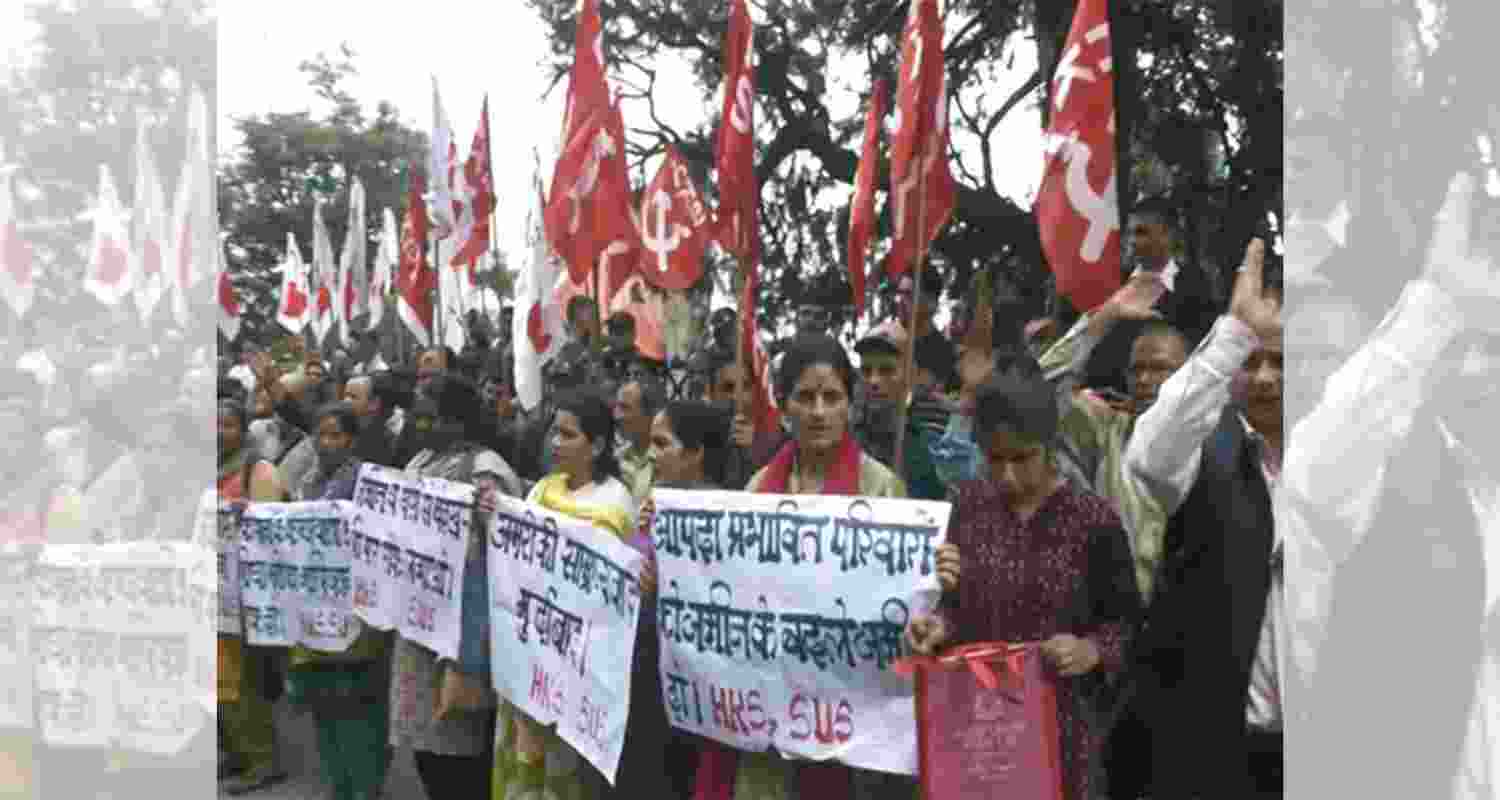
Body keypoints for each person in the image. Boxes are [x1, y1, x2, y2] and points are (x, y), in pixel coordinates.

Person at [693, 335, 919, 800]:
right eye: (806, 397)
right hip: (769, 707)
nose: (819, 411)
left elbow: (904, 601)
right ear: (784, 405)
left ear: (850, 406)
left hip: (849, 713)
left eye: (832, 397)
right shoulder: (758, 489)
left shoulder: (882, 490)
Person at [905, 370, 1139, 800]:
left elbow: (1128, 626)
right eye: (995, 460)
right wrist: (938, 626)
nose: (1008, 476)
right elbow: (957, 606)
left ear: (1050, 446)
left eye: (1023, 458)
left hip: (1061, 735)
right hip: (979, 729)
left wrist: (1091, 650)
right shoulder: (970, 506)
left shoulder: (1093, 521)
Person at [1116, 239, 1283, 799]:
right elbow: (1147, 455)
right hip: (1212, 757)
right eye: (1251, 362)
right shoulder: (1204, 455)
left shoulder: (1345, 460)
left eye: (1281, 362)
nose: (1263, 379)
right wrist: (1232, 335)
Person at [494, 389, 636, 800]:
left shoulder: (616, 502)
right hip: (531, 651)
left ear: (598, 445)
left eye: (568, 435)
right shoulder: (541, 489)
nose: (556, 443)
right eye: (555, 433)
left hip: (578, 664)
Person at [388, 375, 521, 800]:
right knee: (426, 747)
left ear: (457, 420)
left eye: (431, 417)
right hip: (417, 621)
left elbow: (506, 541)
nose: (421, 426)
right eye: (419, 417)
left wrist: (486, 514)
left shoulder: (486, 469)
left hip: (463, 629)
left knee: (462, 740)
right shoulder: (419, 461)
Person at [616, 400, 732, 800]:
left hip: (692, 684)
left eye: (662, 443)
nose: (650, 454)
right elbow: (635, 571)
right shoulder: (656, 502)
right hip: (649, 669)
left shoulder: (726, 514)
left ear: (696, 453)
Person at [283, 402, 395, 800]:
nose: (326, 442)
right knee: (324, 704)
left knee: (360, 707)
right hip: (315, 611)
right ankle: (340, 784)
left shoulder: (369, 481)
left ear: (351, 439)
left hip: (359, 612)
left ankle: (366, 786)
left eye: (336, 435)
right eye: (321, 433)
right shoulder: (307, 481)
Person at [216, 398, 289, 796]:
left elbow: (273, 526)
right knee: (220, 679)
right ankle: (239, 753)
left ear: (242, 429)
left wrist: (248, 513)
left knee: (247, 682)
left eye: (226, 425)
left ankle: (264, 761)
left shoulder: (258, 470)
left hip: (245, 592)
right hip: (213, 589)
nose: (217, 432)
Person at [852, 321, 944, 500]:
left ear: (911, 375)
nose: (874, 381)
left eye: (887, 370)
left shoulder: (926, 453)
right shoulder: (844, 442)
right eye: (866, 370)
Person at [613, 375, 665, 505]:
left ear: (650, 413)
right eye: (617, 407)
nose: (617, 415)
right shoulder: (617, 459)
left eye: (625, 408)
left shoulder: (668, 461)